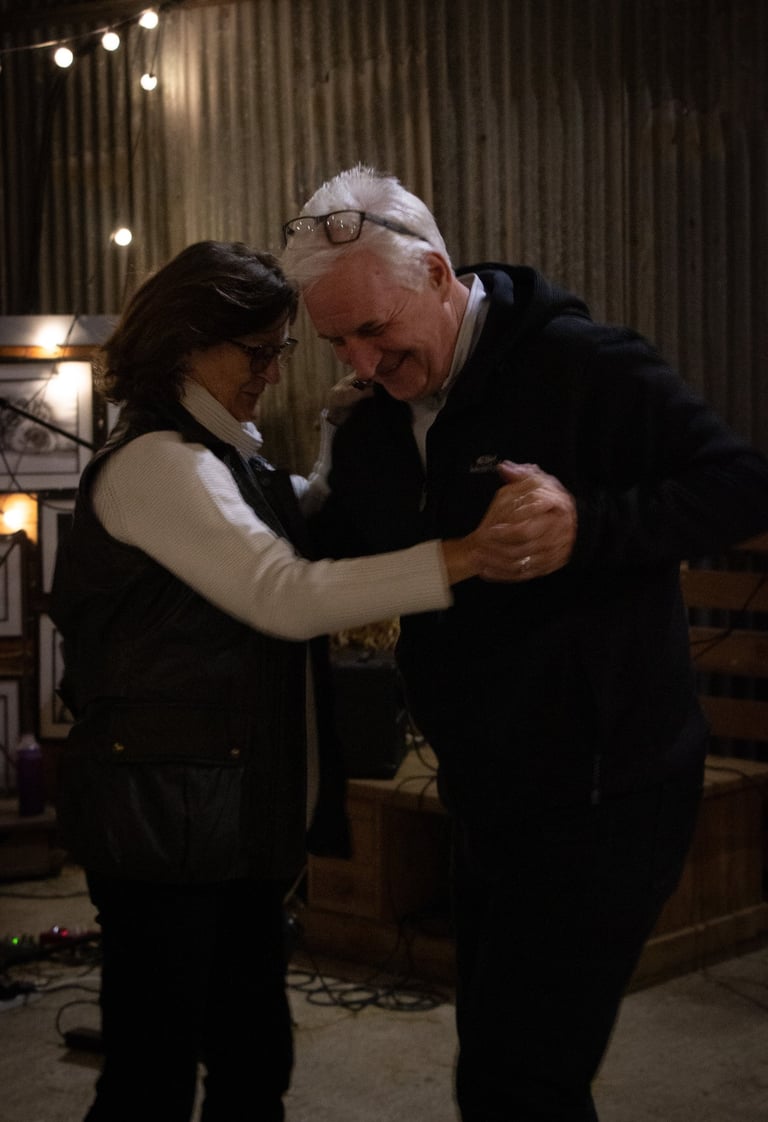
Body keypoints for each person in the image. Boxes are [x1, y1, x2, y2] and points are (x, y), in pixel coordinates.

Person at [280, 167, 768, 1122]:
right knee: (499, 1070)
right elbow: (339, 549)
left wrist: (587, 525)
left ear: (435, 272)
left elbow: (740, 483)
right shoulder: (376, 419)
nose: (362, 361)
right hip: (487, 788)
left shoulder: (583, 366)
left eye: (373, 329)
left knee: (522, 1081)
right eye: (336, 341)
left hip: (608, 785)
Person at [49, 240, 528, 1122]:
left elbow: (306, 520)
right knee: (152, 1081)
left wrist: (345, 431)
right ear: (188, 340)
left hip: (222, 822)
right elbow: (285, 592)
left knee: (252, 1063)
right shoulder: (159, 463)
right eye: (257, 351)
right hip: (165, 832)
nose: (273, 372)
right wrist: (466, 555)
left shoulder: (227, 457)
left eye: (282, 350)